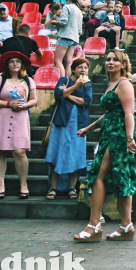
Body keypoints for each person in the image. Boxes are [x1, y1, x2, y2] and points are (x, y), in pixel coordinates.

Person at [73, 50, 136, 242]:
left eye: (115, 60)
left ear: (123, 65)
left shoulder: (124, 83)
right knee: (120, 177)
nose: (110, 62)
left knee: (97, 174)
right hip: (110, 131)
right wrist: (89, 127)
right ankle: (126, 226)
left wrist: (129, 138)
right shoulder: (111, 84)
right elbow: (110, 112)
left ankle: (94, 225)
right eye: (108, 59)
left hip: (121, 133)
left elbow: (128, 113)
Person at [0, 51, 37, 199]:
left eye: (18, 61)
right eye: (12, 61)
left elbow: (34, 100)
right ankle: (0, 185)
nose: (15, 64)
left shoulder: (28, 81)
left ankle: (23, 184)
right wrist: (9, 103)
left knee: (20, 151)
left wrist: (25, 105)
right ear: (7, 65)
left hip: (20, 117)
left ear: (22, 65)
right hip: (1, 117)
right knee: (0, 151)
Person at [46, 58, 92, 200]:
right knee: (55, 154)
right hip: (61, 123)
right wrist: (75, 86)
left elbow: (86, 102)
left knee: (76, 157)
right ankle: (53, 188)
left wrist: (68, 94)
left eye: (85, 68)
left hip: (79, 125)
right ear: (73, 69)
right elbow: (59, 95)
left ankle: (72, 188)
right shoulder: (63, 80)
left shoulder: (88, 85)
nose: (83, 70)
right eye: (80, 67)